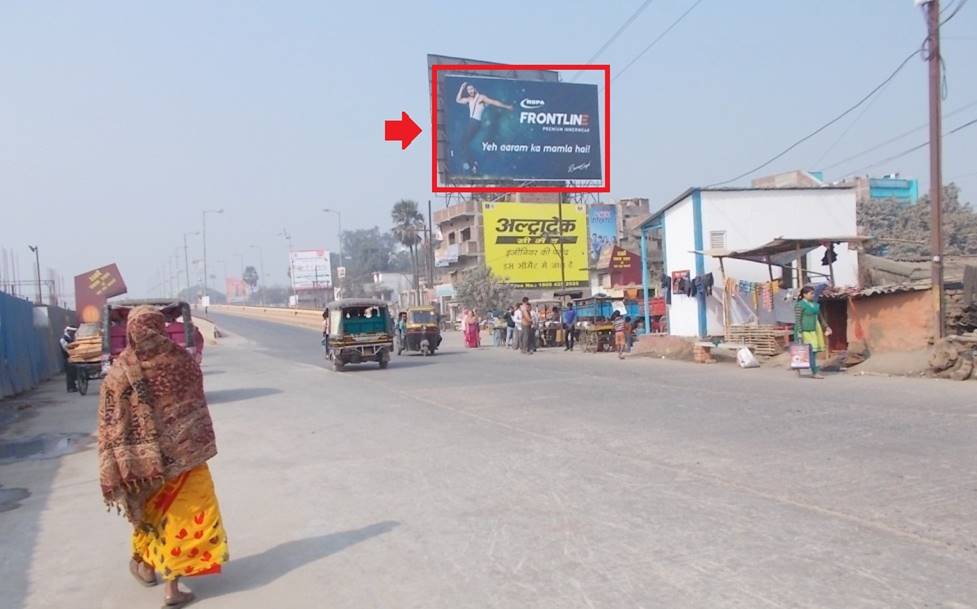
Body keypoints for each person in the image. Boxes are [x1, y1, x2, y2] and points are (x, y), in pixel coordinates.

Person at [98, 306, 228, 608]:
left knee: (151, 516)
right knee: (180, 517)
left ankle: (149, 568)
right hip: (187, 459)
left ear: (131, 331)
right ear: (159, 328)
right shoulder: (181, 362)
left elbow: (109, 422)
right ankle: (168, 584)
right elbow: (195, 398)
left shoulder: (120, 371)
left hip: (144, 468)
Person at [454, 81, 514, 175]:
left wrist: (506, 107)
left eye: (471, 89)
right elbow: (458, 100)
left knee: (463, 142)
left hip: (475, 122)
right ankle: (472, 164)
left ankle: (471, 163)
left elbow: (494, 102)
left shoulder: (481, 98)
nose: (470, 91)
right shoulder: (469, 99)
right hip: (472, 122)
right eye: (468, 90)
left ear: (475, 89)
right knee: (463, 143)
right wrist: (462, 88)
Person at [794, 286, 832, 379]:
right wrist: (799, 332)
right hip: (804, 330)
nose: (813, 295)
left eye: (813, 293)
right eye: (811, 293)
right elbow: (798, 319)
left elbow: (821, 317)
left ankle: (810, 369)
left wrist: (826, 327)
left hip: (815, 329)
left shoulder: (815, 305)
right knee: (808, 351)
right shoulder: (800, 305)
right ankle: (814, 372)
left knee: (813, 352)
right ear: (804, 294)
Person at [59, 325, 78, 392]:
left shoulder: (71, 338)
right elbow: (66, 349)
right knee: (69, 373)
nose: (73, 333)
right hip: (67, 358)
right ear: (68, 331)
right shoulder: (63, 339)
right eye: (72, 332)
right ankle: (70, 388)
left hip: (73, 358)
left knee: (73, 373)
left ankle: (73, 386)